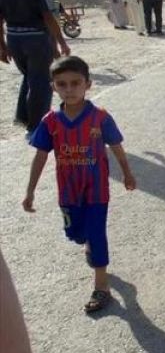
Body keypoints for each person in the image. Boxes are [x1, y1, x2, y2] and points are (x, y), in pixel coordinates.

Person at [23, 56, 136, 312]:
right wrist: (30, 190)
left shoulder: (100, 118)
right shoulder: (50, 122)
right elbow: (40, 155)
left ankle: (101, 285)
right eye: (62, 84)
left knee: (97, 234)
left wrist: (127, 173)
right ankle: (85, 242)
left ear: (88, 84)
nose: (69, 89)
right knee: (75, 233)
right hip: (68, 192)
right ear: (53, 87)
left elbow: (116, 146)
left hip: (97, 190)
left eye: (76, 83)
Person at [0, 0, 71, 137]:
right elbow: (49, 17)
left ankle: (23, 116)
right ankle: (37, 127)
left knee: (30, 77)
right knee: (41, 82)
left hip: (14, 40)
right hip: (36, 41)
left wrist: (2, 46)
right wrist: (61, 43)